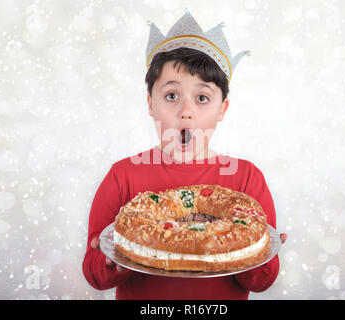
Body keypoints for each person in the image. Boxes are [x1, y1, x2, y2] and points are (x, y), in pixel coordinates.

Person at [82, 11, 287, 300]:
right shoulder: (123, 176)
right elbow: (93, 272)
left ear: (222, 109)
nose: (185, 111)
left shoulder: (245, 178)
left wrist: (257, 252)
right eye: (171, 96)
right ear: (151, 103)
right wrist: (114, 256)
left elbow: (263, 281)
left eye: (202, 98)